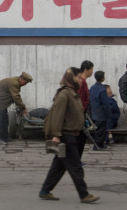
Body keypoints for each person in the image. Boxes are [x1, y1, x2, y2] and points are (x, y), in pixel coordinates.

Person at [39, 67, 100, 204]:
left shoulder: (72, 93)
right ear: (71, 78)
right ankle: (84, 195)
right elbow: (57, 116)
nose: (80, 79)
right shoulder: (64, 94)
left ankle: (45, 190)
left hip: (74, 134)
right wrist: (56, 135)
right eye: (78, 77)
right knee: (75, 166)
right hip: (66, 136)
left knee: (59, 166)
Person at [0, 71, 33, 145]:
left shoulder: (16, 81)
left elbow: (13, 96)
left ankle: (5, 137)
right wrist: (23, 108)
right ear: (22, 79)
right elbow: (16, 97)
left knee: (4, 120)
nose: (25, 84)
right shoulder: (14, 83)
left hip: (2, 102)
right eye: (26, 82)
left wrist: (19, 106)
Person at [89, 71, 111, 150]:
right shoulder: (102, 89)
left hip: (94, 111)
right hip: (101, 112)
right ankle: (97, 145)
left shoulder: (92, 88)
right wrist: (108, 113)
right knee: (101, 130)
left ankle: (101, 144)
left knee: (99, 129)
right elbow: (105, 103)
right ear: (102, 78)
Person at [77, 60, 94, 158]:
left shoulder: (83, 81)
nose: (92, 72)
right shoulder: (82, 82)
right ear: (86, 70)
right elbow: (79, 97)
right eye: (91, 70)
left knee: (81, 138)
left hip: (82, 111)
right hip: (80, 112)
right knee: (80, 138)